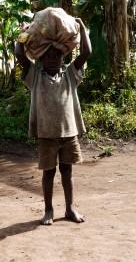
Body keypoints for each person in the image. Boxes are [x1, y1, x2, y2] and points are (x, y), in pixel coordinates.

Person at [15, 17, 92, 225]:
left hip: (69, 133)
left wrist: (82, 28)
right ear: (41, 58)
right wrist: (23, 34)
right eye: (48, 56)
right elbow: (19, 55)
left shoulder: (70, 75)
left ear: (62, 57)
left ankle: (70, 208)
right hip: (46, 135)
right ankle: (48, 210)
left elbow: (86, 53)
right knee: (48, 173)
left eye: (57, 55)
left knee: (67, 171)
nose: (52, 59)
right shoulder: (35, 76)